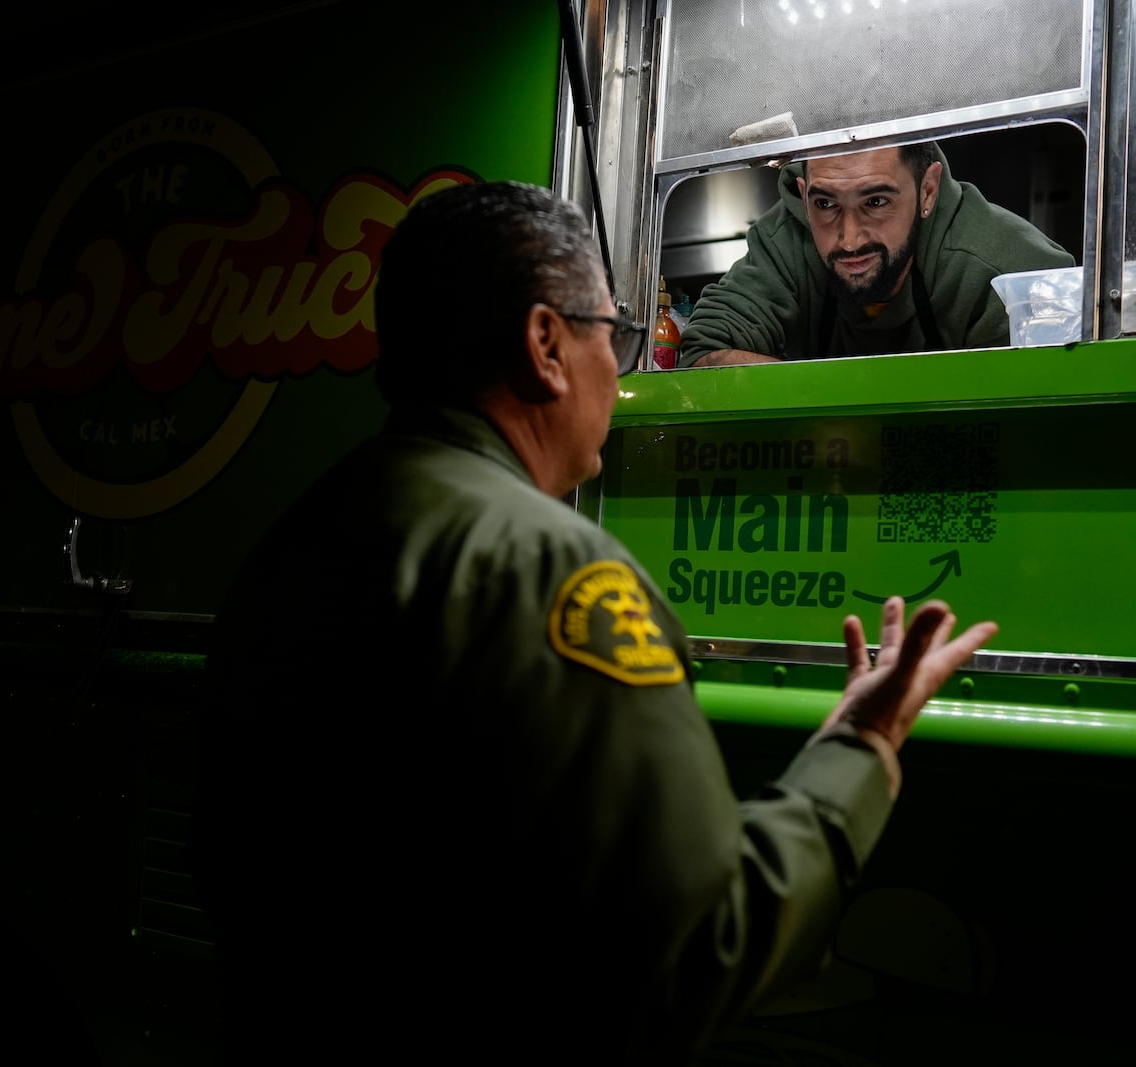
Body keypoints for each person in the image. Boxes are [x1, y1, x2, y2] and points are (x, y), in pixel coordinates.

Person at [192, 180, 997, 1065]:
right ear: (545, 346)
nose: (620, 369)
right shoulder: (558, 571)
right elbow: (698, 948)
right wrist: (861, 744)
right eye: (610, 335)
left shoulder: (288, 543)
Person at [680, 141, 1074, 366]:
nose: (849, 240)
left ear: (927, 191)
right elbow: (704, 352)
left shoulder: (996, 265)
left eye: (876, 201)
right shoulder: (786, 241)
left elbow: (1062, 387)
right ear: (803, 194)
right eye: (825, 204)